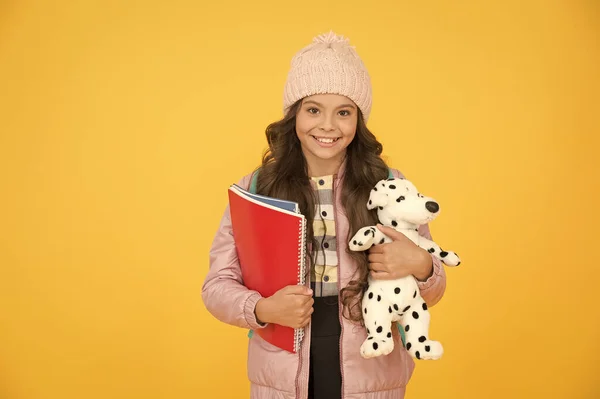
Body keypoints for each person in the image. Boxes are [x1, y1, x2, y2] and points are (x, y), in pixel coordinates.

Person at [202, 31, 447, 399]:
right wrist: (264, 308)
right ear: (294, 115)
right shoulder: (256, 187)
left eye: (343, 112)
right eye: (313, 109)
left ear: (358, 120)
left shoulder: (389, 185)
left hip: (371, 364)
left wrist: (421, 263)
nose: (328, 126)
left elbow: (435, 286)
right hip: (282, 365)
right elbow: (216, 285)